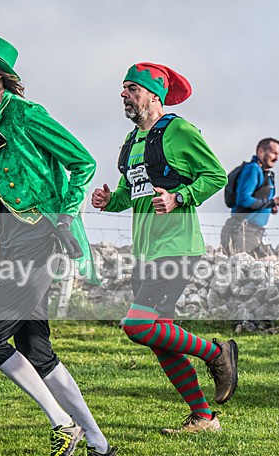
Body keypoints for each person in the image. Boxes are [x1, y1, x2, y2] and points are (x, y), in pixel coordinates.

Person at [0, 33, 117, 456]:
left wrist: (62, 215)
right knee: (35, 349)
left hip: (43, 238)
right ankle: (100, 447)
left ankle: (62, 424)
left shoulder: (28, 116)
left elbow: (84, 163)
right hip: (11, 240)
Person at [91, 62, 239, 435]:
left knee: (137, 325)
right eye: (123, 89)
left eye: (131, 89)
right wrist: (110, 200)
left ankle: (216, 352)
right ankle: (204, 418)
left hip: (176, 245)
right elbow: (132, 192)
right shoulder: (131, 142)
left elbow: (216, 175)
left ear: (153, 95)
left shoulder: (179, 130)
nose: (124, 95)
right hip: (145, 250)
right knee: (160, 338)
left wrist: (180, 197)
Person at [220, 138, 279, 259]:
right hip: (243, 232)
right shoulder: (253, 169)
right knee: (247, 272)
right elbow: (243, 200)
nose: (277, 158)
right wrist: (272, 202)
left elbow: (256, 201)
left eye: (278, 154)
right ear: (261, 152)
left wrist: (270, 207)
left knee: (270, 267)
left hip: (254, 233)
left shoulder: (264, 173)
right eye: (274, 153)